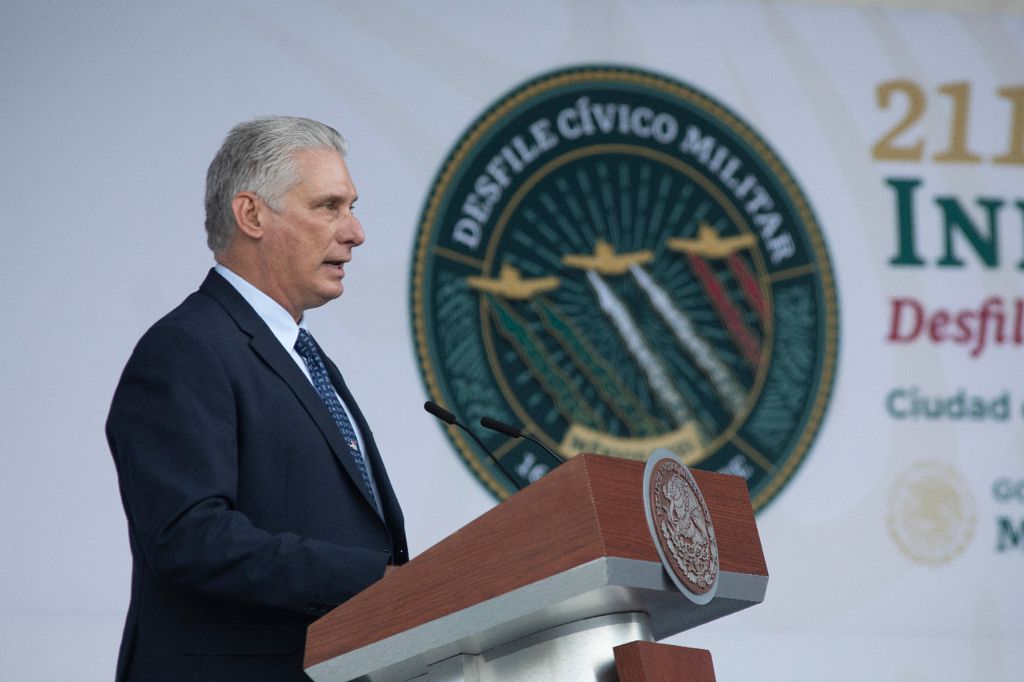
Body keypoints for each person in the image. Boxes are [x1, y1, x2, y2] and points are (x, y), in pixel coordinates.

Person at [106, 116, 408, 681]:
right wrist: (375, 579)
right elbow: (190, 536)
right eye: (329, 206)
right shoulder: (185, 349)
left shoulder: (302, 354)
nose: (356, 231)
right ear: (251, 216)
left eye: (352, 206)